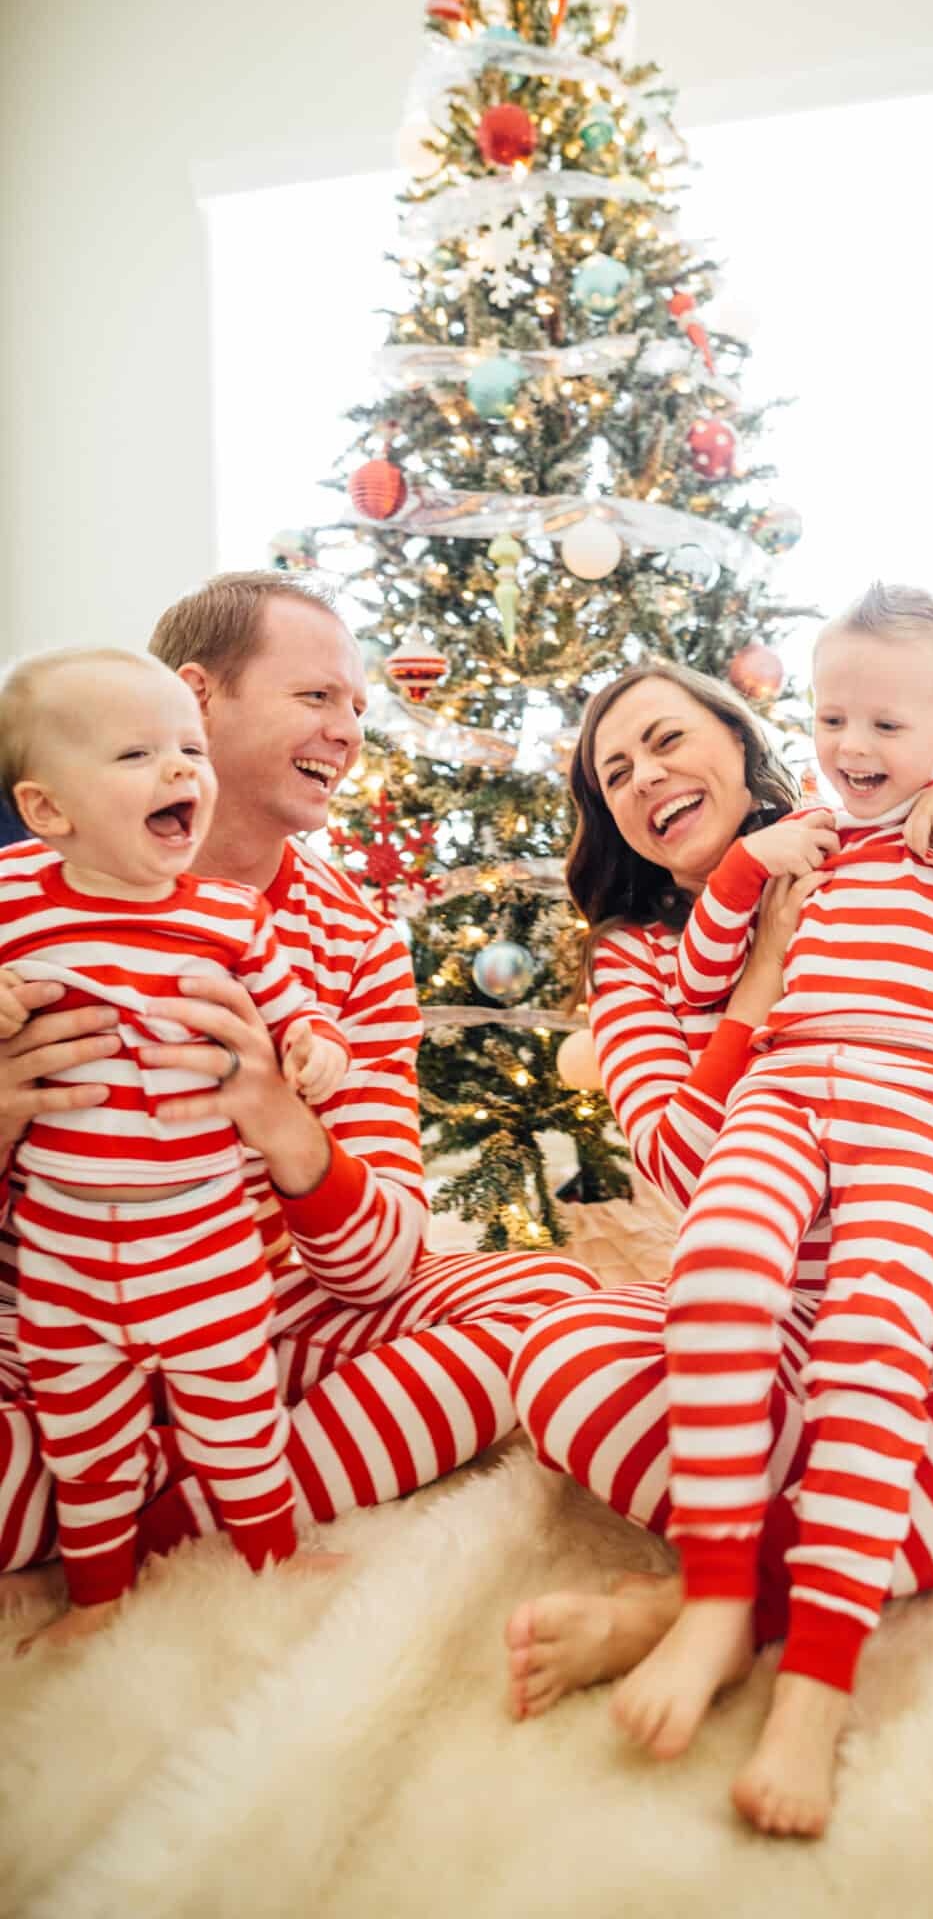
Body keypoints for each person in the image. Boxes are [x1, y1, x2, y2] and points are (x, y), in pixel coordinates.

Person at [506, 652, 933, 1837]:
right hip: (752, 1295)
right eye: (613, 772)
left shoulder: (886, 843)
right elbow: (678, 1153)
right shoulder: (636, 952)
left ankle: (718, 1603)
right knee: (554, 1350)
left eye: (667, 739)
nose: (644, 776)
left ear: (736, 739)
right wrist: (758, 979)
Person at [0, 572, 599, 1609]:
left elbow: (381, 1266)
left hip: (262, 1312)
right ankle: (191, 1466)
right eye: (318, 695)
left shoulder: (355, 936)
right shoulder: (27, 900)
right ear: (197, 696)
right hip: (49, 1323)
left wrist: (283, 1119)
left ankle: (164, 1505)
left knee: (553, 1307)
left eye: (359, 707)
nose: (349, 730)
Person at [0, 648, 353, 1645]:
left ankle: (269, 1555)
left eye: (188, 749)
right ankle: (100, 1593)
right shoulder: (15, 898)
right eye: (138, 752)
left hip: (197, 1237)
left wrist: (311, 1060)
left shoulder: (228, 917)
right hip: (60, 1254)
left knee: (239, 1416)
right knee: (85, 1436)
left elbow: (297, 1022)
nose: (180, 770)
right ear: (48, 810)